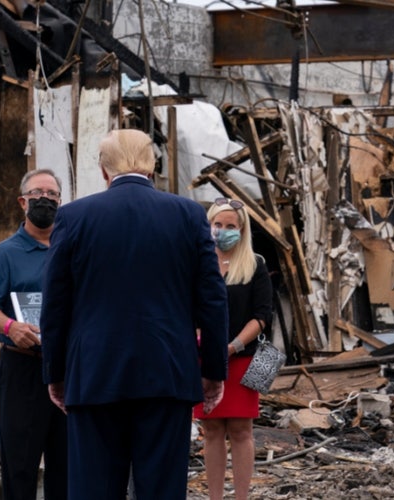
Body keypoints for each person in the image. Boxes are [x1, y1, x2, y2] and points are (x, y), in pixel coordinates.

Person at [39, 129, 229, 499]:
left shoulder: (74, 217)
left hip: (94, 375)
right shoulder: (188, 215)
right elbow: (213, 300)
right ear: (151, 166)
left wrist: (56, 373)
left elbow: (56, 303)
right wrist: (213, 371)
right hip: (167, 373)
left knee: (94, 489)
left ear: (103, 170)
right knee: (161, 489)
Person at [0, 169, 67, 500]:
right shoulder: (6, 254)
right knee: (21, 464)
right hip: (23, 369)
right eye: (37, 193)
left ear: (61, 201)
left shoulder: (72, 249)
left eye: (52, 194)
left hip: (68, 369)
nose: (45, 199)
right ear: (22, 201)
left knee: (67, 464)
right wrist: (11, 327)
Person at [193, 197, 273, 500]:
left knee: (241, 430)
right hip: (204, 358)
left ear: (242, 230)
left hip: (244, 358)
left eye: (230, 226)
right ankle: (215, 496)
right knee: (211, 430)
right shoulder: (197, 264)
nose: (222, 230)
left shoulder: (255, 265)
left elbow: (262, 315)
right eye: (217, 224)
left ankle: (241, 496)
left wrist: (233, 345)